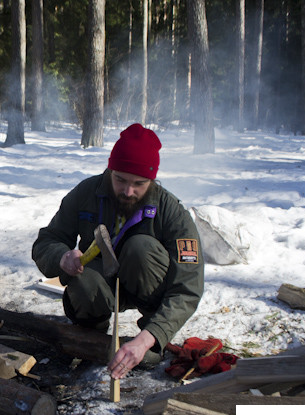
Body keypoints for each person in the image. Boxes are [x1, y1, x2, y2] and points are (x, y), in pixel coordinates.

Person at [32, 123, 203, 379]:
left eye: (139, 184)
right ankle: (91, 334)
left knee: (141, 248)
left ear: (152, 179)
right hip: (100, 286)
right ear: (110, 169)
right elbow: (47, 241)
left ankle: (149, 337)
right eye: (120, 179)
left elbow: (188, 287)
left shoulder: (171, 211)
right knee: (84, 277)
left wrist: (149, 338)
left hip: (147, 286)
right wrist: (61, 257)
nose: (127, 191)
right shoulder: (86, 193)